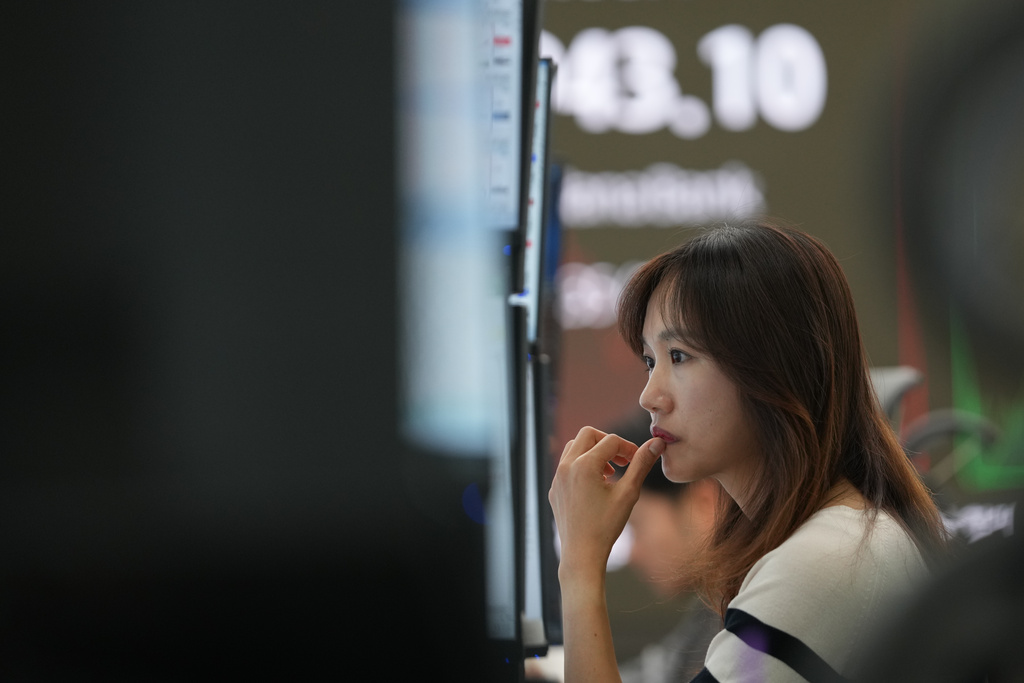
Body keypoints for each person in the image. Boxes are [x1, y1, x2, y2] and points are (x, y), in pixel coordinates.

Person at [548, 221, 948, 683]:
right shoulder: (843, 535)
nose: (649, 395)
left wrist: (579, 569)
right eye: (649, 362)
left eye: (678, 356)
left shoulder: (824, 560)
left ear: (771, 368)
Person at [619, 458, 721, 683]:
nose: (633, 554)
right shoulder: (712, 606)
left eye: (637, 525)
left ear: (703, 503)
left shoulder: (740, 615)